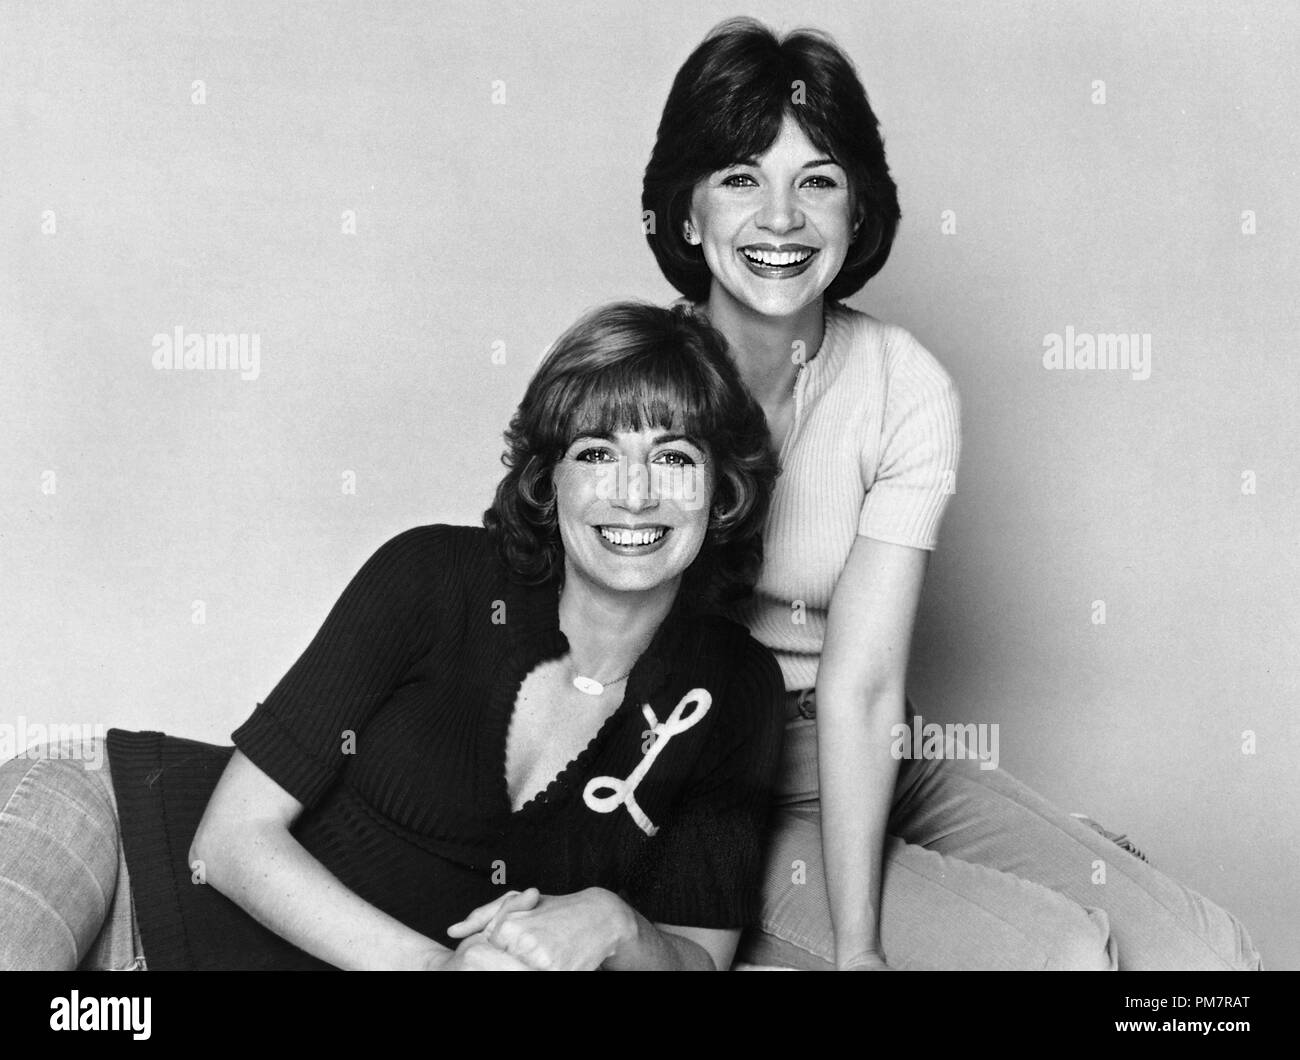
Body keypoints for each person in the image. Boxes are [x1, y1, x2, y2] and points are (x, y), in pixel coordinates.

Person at [641, 17, 1262, 970]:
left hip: (862, 750)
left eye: (817, 181)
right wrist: (862, 951)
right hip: (711, 789)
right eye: (740, 178)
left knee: (1207, 957)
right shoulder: (635, 386)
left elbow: (864, 682)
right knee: (1056, 957)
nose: (780, 218)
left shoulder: (902, 383)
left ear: (857, 212)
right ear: (686, 214)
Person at [0, 301, 785, 972]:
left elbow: (698, 955)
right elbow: (231, 840)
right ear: (550, 483)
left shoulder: (733, 689)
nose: (637, 493)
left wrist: (619, 921)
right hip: (118, 846)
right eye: (597, 454)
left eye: (675, 458)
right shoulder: (433, 577)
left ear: (723, 489)